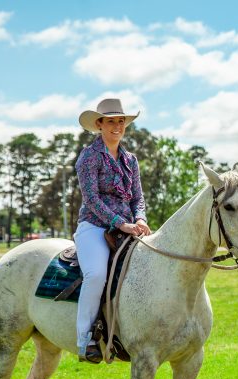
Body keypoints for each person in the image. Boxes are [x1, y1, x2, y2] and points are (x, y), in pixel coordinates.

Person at [74, 98, 151, 363]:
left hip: (130, 227)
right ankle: (86, 340)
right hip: (95, 226)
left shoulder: (131, 159)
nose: (117, 126)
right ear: (99, 124)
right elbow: (92, 199)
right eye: (111, 121)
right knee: (96, 275)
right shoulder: (89, 157)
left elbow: (137, 197)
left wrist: (139, 218)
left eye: (121, 121)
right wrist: (121, 222)